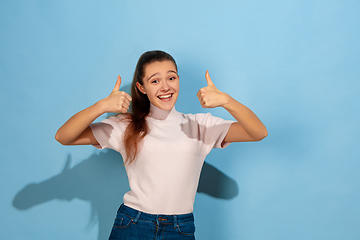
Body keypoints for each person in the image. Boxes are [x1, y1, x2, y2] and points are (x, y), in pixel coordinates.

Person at [55, 50, 267, 239]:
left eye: (171, 78)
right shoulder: (125, 126)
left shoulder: (201, 125)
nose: (165, 87)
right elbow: (64, 137)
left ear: (178, 80)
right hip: (133, 224)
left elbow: (258, 132)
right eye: (155, 81)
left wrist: (227, 101)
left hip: (180, 227)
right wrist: (101, 106)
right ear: (142, 87)